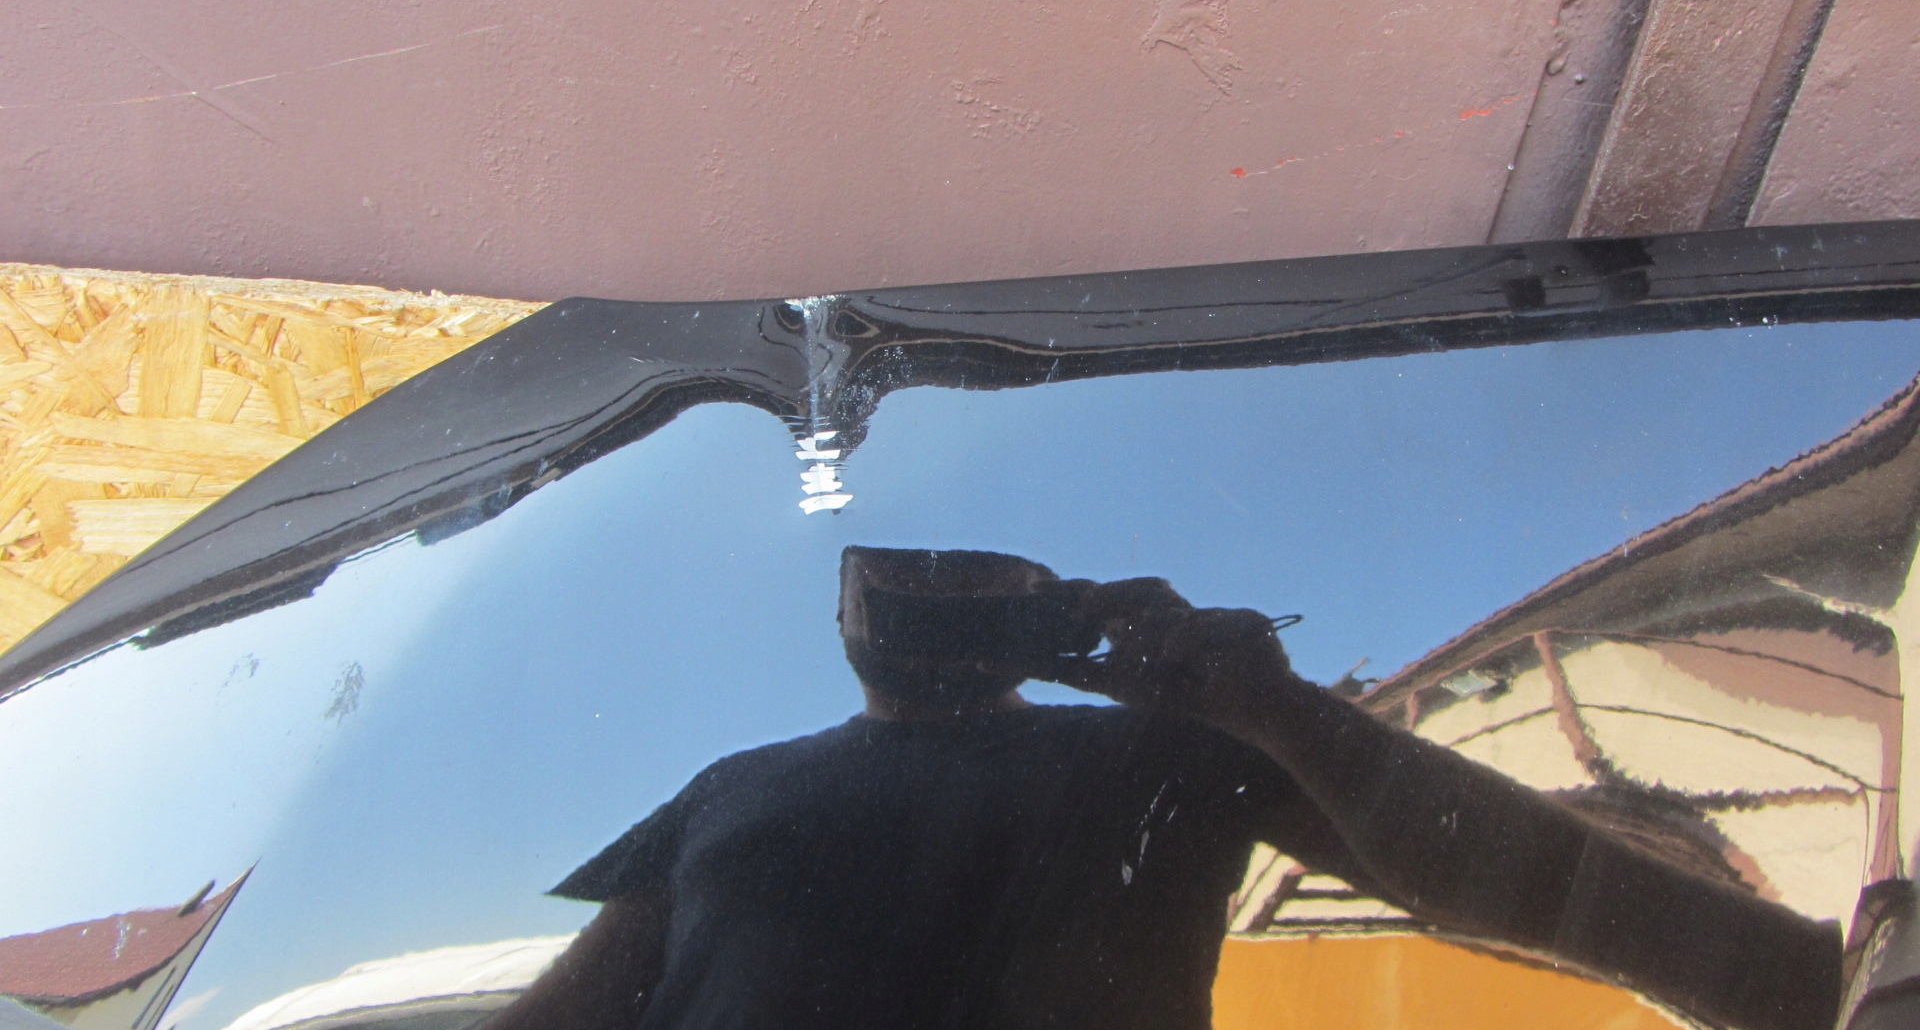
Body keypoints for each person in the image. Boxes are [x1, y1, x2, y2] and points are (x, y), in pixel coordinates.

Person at [484, 547, 1840, 1030]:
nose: (934, 590)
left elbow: (1528, 891)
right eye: (898, 574)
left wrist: (1270, 707)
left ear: (1051, 605)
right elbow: (577, 1008)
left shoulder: (1168, 742)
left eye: (978, 576)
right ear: (842, 611)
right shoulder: (732, 783)